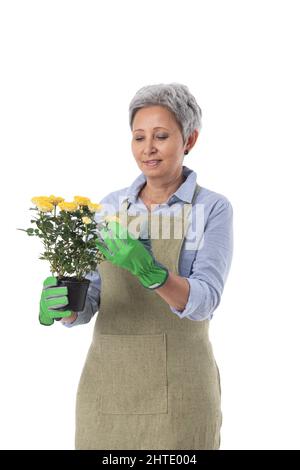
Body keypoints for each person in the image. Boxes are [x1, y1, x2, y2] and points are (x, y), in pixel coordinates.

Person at [39, 83, 234, 450]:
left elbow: (206, 299)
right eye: (138, 137)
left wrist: (151, 271)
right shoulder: (110, 208)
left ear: (189, 139)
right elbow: (93, 297)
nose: (148, 148)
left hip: (182, 391)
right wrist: (66, 308)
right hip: (107, 388)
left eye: (161, 136)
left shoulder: (211, 208)